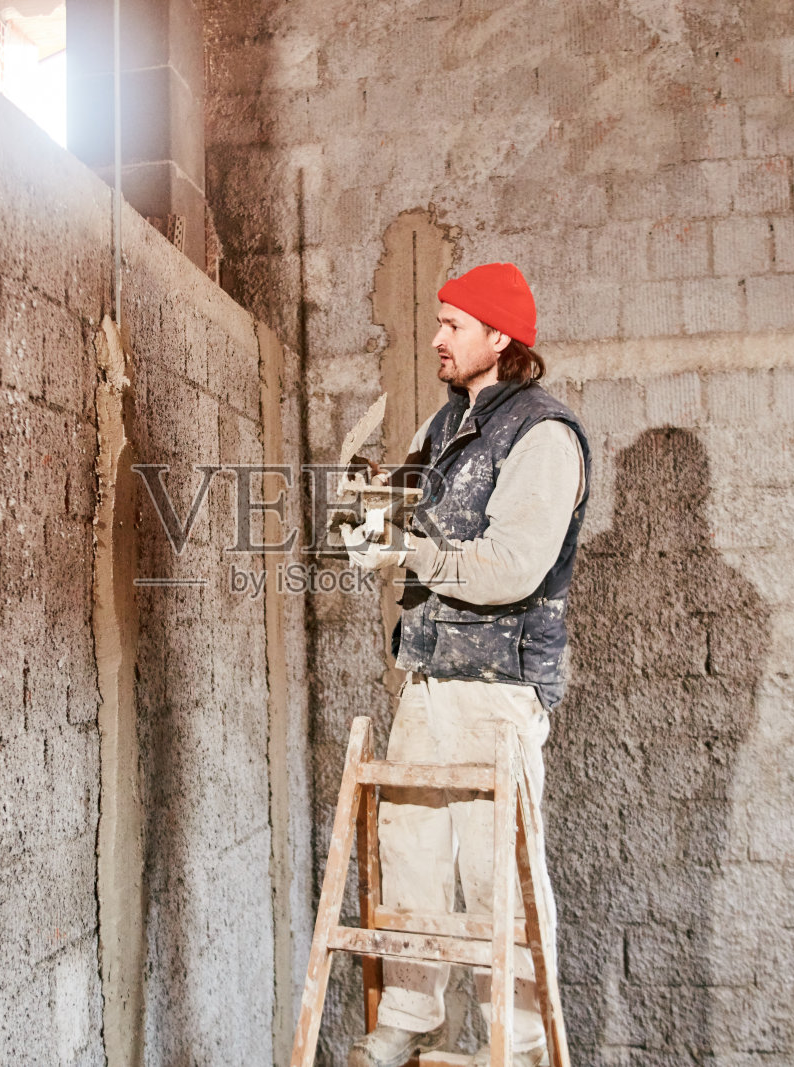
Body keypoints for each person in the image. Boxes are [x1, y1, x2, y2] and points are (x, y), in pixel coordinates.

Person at [341, 262, 590, 1067]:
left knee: (496, 877)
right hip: (430, 675)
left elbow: (511, 566)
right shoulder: (447, 425)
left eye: (453, 324)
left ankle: (514, 1043)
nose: (438, 337)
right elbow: (400, 514)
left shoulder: (544, 434)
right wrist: (368, 516)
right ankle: (412, 1010)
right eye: (441, 322)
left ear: (500, 338)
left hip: (499, 688)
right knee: (410, 848)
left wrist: (405, 546)